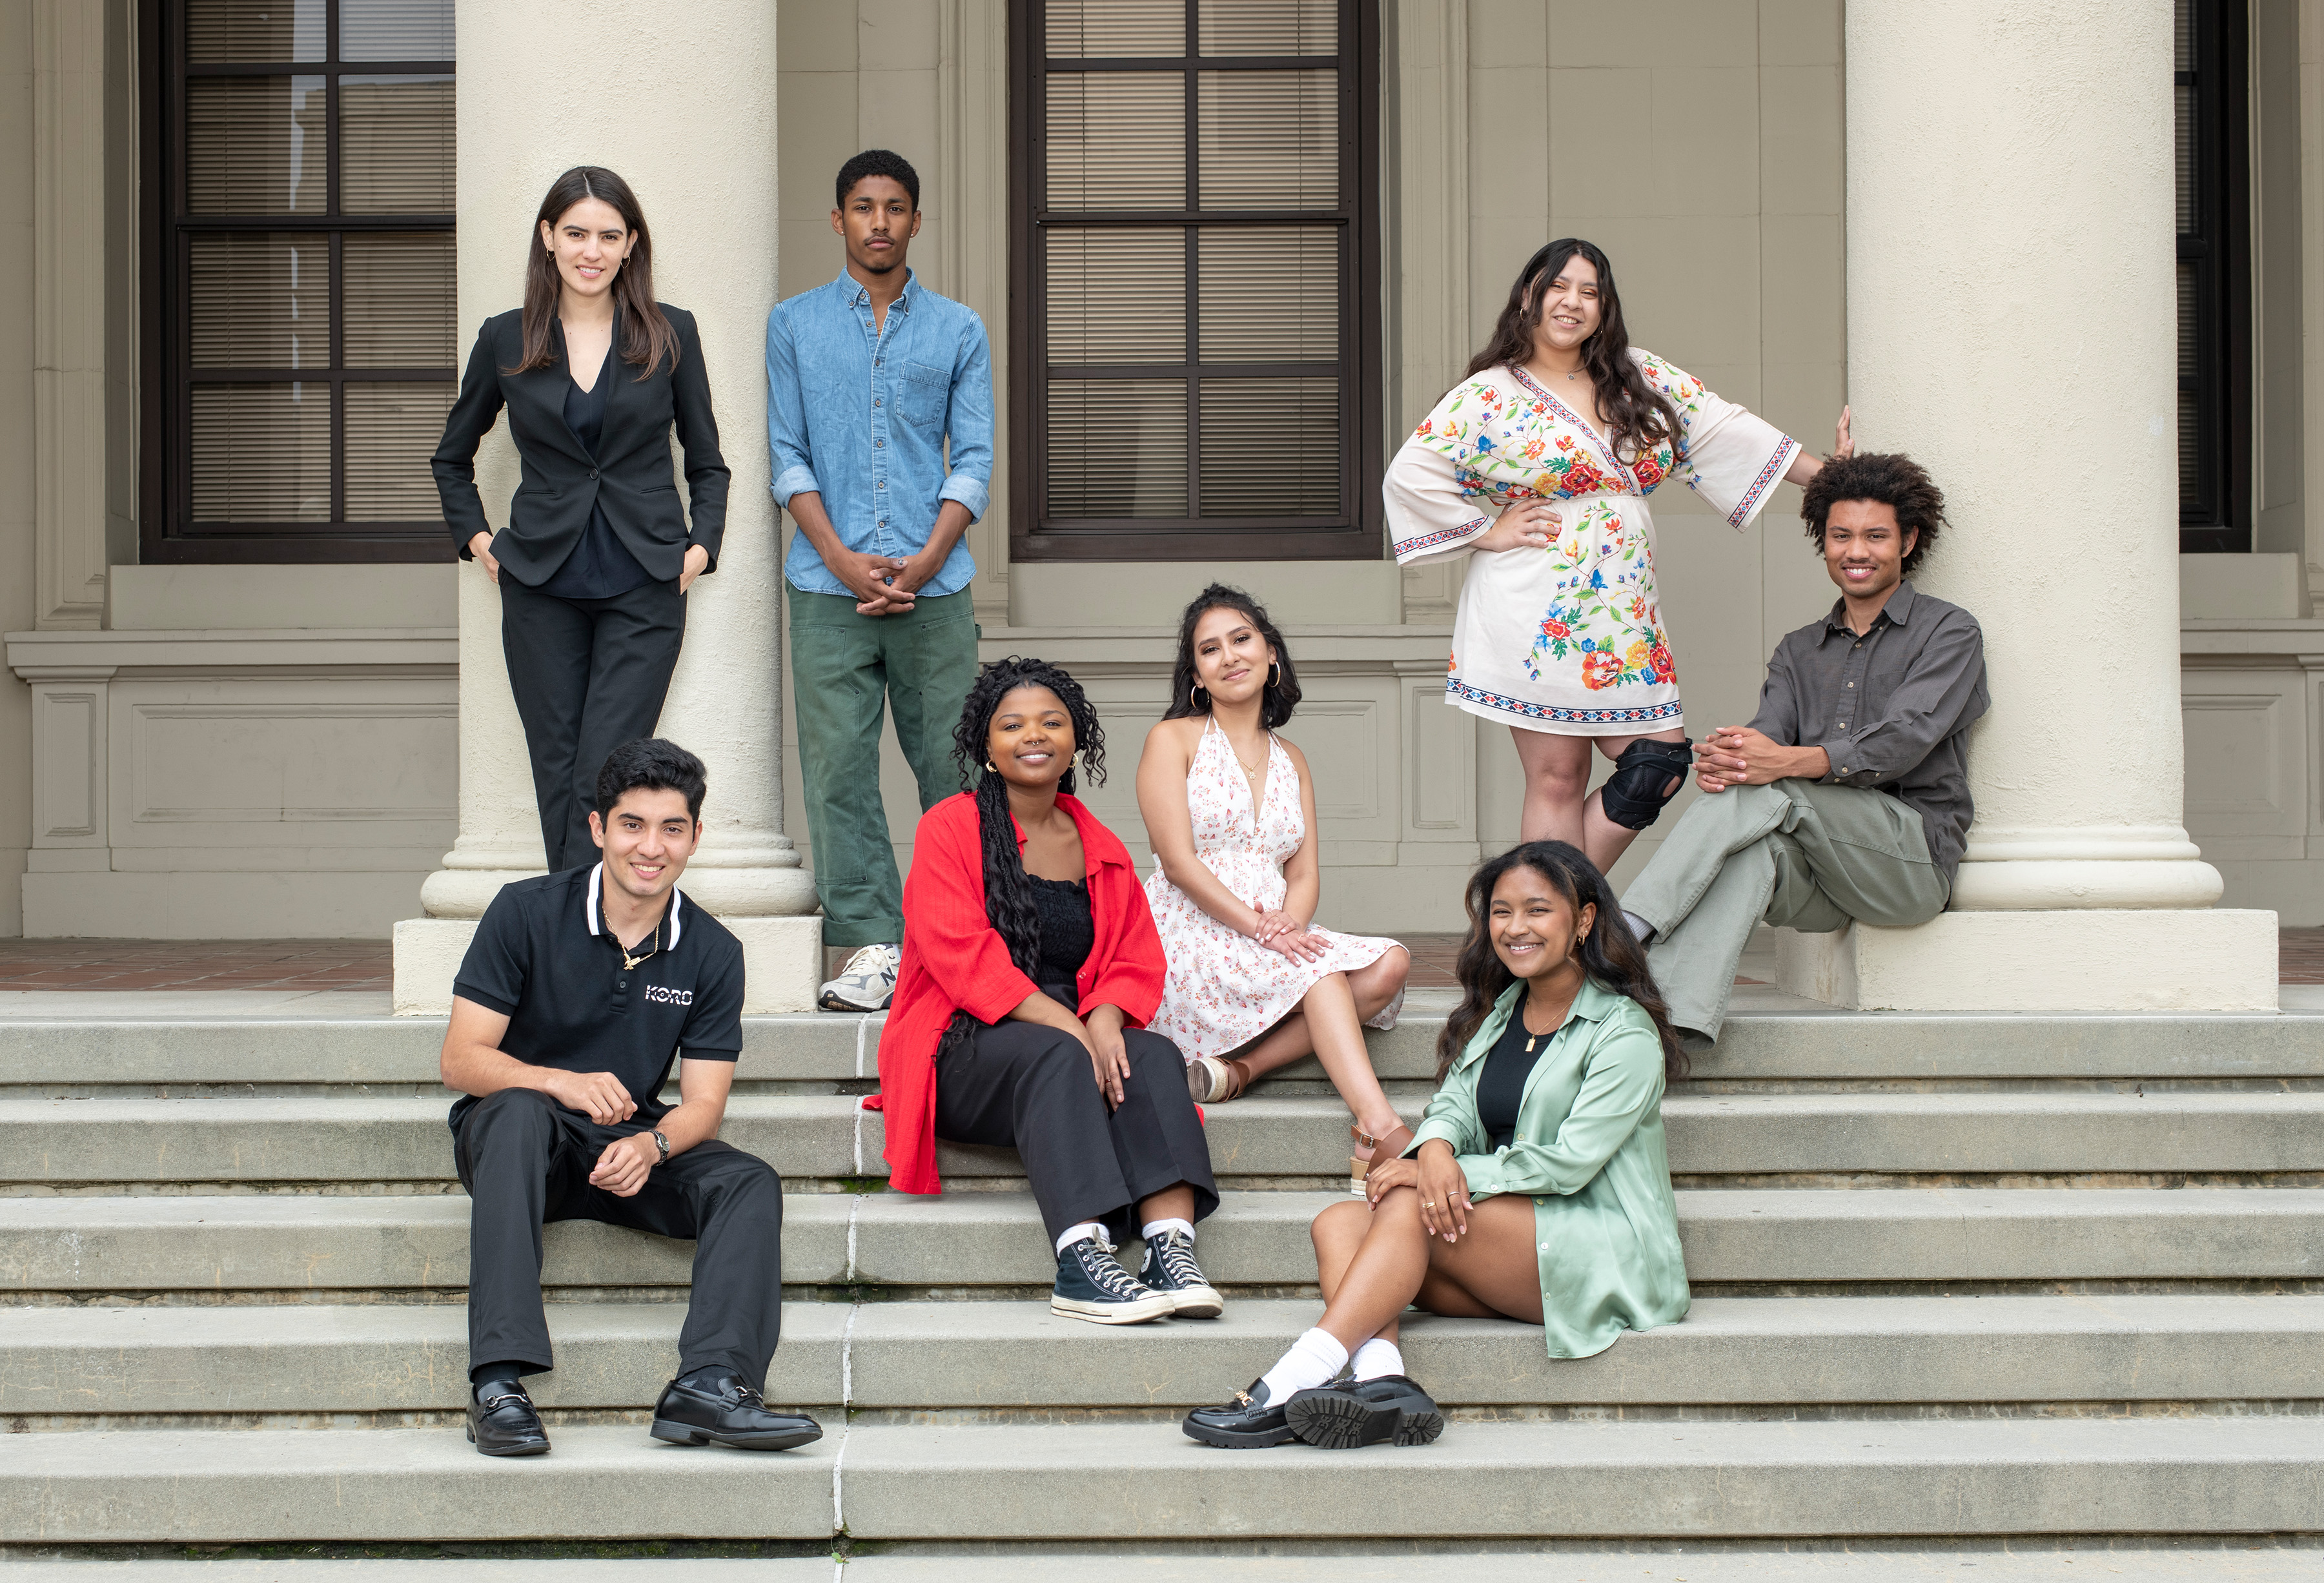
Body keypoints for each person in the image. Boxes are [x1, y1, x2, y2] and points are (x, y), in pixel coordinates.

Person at [1182, 841, 1689, 1449]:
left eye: (1537, 911)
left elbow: (1569, 1162)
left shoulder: (1622, 1032)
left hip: (1597, 1249)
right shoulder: (1502, 1012)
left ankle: (1291, 1379)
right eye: (1501, 912)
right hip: (1516, 1242)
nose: (1515, 928)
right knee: (1339, 1225)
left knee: (1404, 1203)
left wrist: (1437, 1175)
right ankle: (1382, 1380)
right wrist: (1438, 1152)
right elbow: (1451, 1106)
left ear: (1583, 920)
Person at [1384, 238, 1853, 873]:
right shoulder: (1489, 394)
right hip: (1536, 605)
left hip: (1625, 611)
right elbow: (1410, 473)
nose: (1573, 302)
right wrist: (1485, 532)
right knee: (1556, 780)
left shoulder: (1637, 376)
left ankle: (1547, 911)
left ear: (1605, 308)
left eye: (1590, 292)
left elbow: (1722, 428)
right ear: (1530, 296)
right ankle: (1559, 933)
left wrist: (1834, 480)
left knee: (1657, 762)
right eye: (1559, 287)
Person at [439, 739, 821, 1458]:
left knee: (748, 1180)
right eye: (633, 825)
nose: (651, 847)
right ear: (598, 829)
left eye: (672, 828)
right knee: (520, 1115)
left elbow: (704, 1103)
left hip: (622, 1148)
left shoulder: (712, 950)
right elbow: (461, 1060)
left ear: (696, 837)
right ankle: (496, 1383)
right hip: (517, 1139)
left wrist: (655, 1144)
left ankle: (710, 1386)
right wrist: (557, 1081)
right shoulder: (524, 911)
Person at [870, 657, 1220, 1325]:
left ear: (1075, 741)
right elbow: (959, 954)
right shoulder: (951, 827)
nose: (1034, 735)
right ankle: (1080, 1259)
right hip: (964, 1043)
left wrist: (1108, 1019)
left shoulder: (1101, 845)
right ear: (987, 746)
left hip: (1069, 1038)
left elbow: (1133, 955)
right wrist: (1072, 1030)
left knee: (1151, 1056)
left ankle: (1169, 1248)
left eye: (1052, 722)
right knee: (1056, 1055)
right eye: (1013, 725)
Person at [1620, 453, 1986, 1047]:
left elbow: (1904, 739)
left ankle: (1621, 933)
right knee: (1746, 855)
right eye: (1841, 536)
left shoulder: (1950, 632)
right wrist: (1731, 759)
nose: (1856, 551)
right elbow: (1765, 745)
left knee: (1779, 787)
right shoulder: (1798, 650)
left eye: (1875, 536)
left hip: (1908, 866)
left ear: (1908, 540)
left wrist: (1778, 765)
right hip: (1822, 878)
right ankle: (1668, 1030)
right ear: (1824, 540)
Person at [433, 167, 728, 873]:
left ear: (630, 245)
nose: (590, 250)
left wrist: (700, 549)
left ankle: (578, 931)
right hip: (540, 580)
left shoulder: (670, 333)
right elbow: (451, 457)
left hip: (644, 579)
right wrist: (479, 541)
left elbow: (708, 461)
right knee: (557, 762)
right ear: (548, 238)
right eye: (575, 233)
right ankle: (578, 932)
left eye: (607, 235)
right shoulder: (506, 339)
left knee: (610, 767)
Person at [767, 148, 995, 1013]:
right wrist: (839, 555)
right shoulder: (793, 325)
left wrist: (930, 556)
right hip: (828, 589)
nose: (878, 222)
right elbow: (786, 453)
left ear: (915, 220)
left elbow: (971, 458)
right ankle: (871, 947)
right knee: (837, 773)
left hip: (933, 590)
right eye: (863, 206)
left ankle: (961, 942)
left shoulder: (958, 329)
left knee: (956, 766)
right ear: (839, 220)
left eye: (895, 207)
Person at [1134, 584, 1414, 1191]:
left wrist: (1290, 922)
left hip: (1271, 927)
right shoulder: (1173, 739)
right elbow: (1178, 863)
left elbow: (1305, 872)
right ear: (1197, 675)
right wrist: (1260, 925)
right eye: (1209, 650)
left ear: (1271, 656)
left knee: (1391, 962)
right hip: (1189, 926)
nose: (1229, 656)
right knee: (1322, 976)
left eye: (1241, 640)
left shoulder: (1293, 757)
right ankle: (1378, 1124)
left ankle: (1239, 1069)